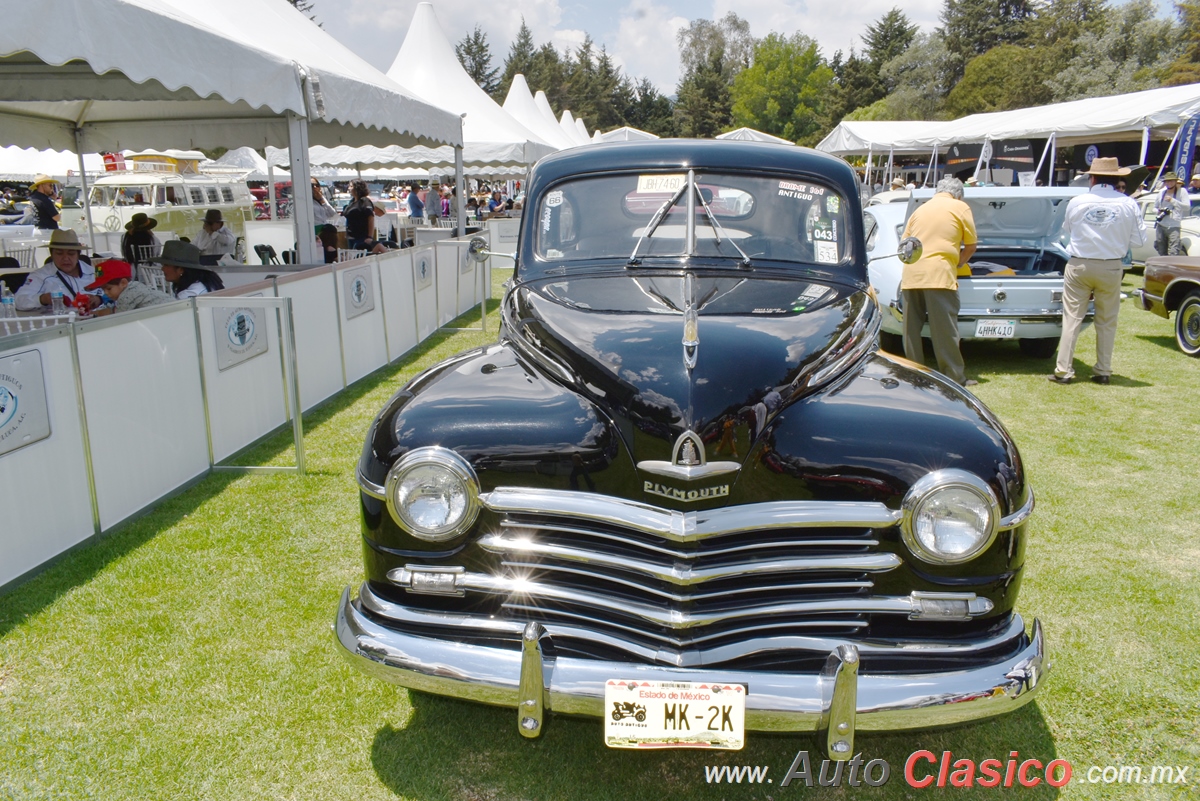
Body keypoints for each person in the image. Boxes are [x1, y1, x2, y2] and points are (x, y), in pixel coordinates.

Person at [1050, 157, 1146, 385]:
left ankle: (1064, 370)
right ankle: (1103, 370)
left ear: (1092, 177)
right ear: (1117, 179)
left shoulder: (1077, 201)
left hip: (1080, 263)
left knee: (1072, 318)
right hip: (1111, 265)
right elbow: (1139, 240)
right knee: (1107, 320)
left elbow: (1068, 230)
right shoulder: (1128, 203)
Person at [899, 175, 978, 387]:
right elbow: (971, 246)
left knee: (911, 331)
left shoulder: (919, 210)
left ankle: (912, 374)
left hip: (911, 275)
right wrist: (958, 264)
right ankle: (954, 377)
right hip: (940, 275)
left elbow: (904, 243)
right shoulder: (960, 207)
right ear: (958, 194)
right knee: (945, 331)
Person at [14, 229, 102, 312]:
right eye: (59, 253)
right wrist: (43, 299)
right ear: (51, 254)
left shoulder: (94, 272)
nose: (65, 258)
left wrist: (99, 299)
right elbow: (18, 301)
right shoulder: (41, 275)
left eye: (71, 253)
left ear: (78, 254)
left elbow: (113, 294)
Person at [86, 259, 173, 315]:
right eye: (102, 289)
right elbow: (114, 310)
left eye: (109, 288)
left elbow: (118, 318)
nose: (105, 293)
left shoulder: (126, 295)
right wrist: (95, 313)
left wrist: (94, 315)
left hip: (169, 313)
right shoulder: (133, 287)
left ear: (123, 283)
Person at [151, 240, 225, 299]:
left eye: (166, 265)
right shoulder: (208, 282)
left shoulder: (188, 296)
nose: (162, 269)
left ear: (181, 270)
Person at [342, 179, 386, 254]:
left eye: (351, 186)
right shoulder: (352, 202)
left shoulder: (365, 201)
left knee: (361, 258)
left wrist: (370, 237)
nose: (349, 188)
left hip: (362, 237)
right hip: (351, 237)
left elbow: (371, 218)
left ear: (357, 188)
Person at [1154, 172, 1191, 256]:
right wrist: (1159, 211)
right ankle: (1163, 267)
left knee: (1173, 251)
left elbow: (1187, 207)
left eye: (1171, 181)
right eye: (1167, 181)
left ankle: (1171, 268)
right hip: (1161, 224)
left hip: (1174, 225)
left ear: (1175, 181)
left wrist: (1173, 201)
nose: (1169, 183)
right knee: (1161, 250)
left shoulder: (1182, 191)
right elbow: (1154, 207)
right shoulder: (1161, 192)